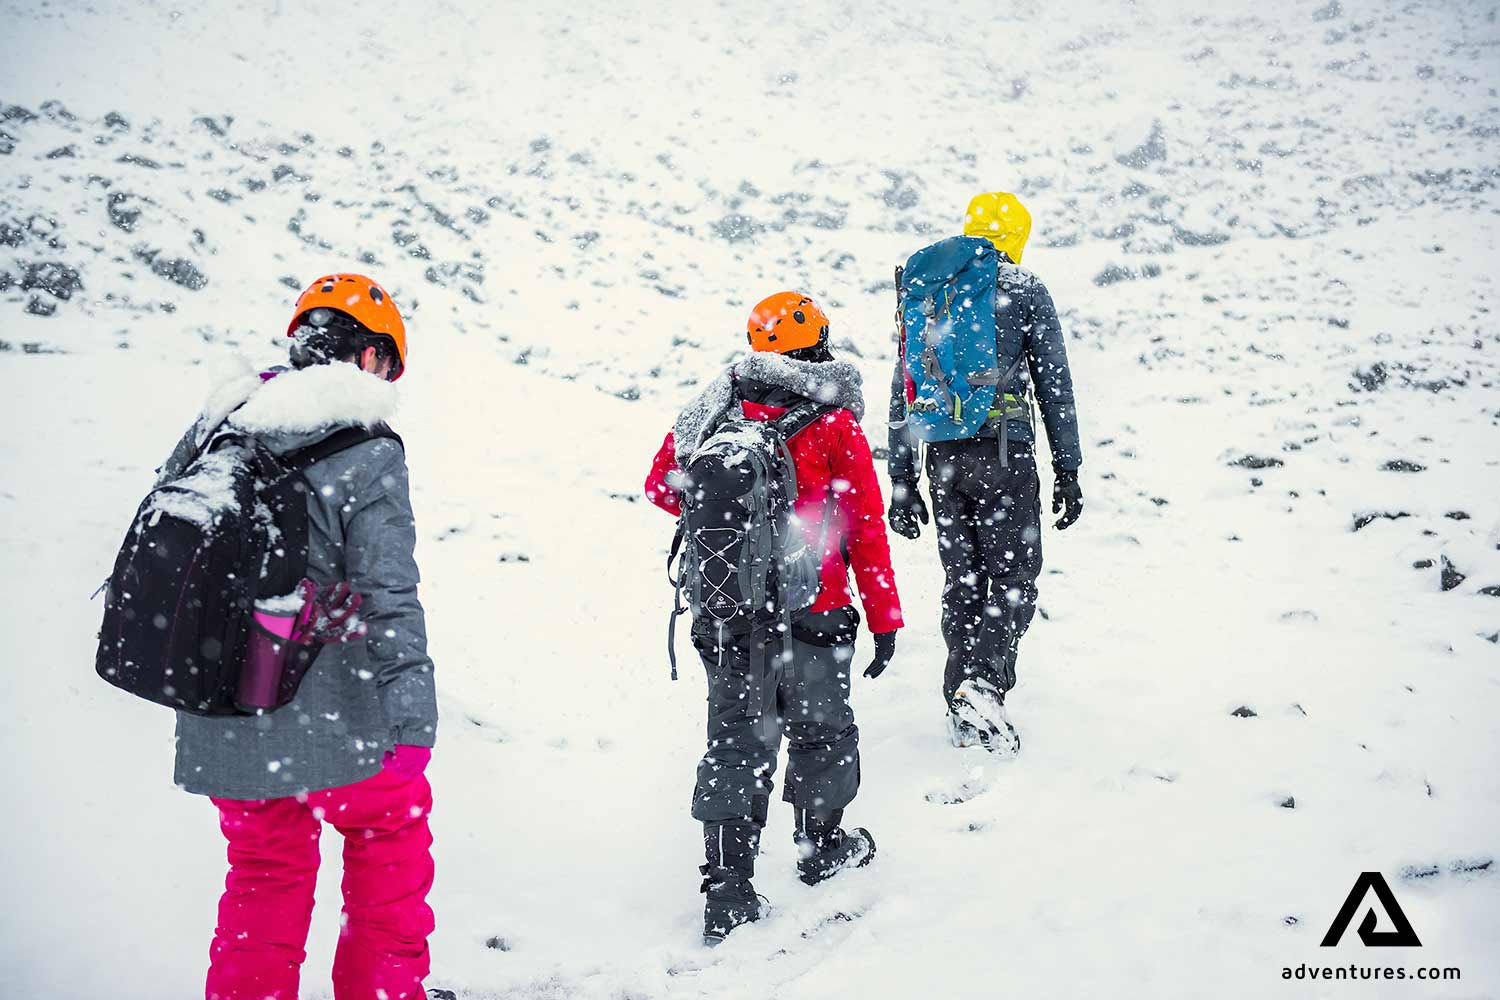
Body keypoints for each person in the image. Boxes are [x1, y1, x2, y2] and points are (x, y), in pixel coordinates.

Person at [158, 274, 439, 1000]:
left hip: (225, 697)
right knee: (387, 849)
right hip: (338, 711)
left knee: (263, 870)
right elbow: (389, 591)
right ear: (373, 358)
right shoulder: (368, 446)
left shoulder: (224, 419)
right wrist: (410, 717)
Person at [645, 291, 903, 945]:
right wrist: (884, 616)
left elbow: (660, 484)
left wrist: (734, 536)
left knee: (737, 742)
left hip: (726, 611)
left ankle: (727, 890)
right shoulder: (835, 421)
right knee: (821, 731)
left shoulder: (716, 406)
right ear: (816, 344)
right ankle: (822, 847)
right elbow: (866, 526)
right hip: (815, 609)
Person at [886, 193, 1083, 756]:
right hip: (1003, 453)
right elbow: (1055, 386)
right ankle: (984, 683)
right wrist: (1067, 467)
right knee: (1015, 578)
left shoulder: (931, 292)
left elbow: (903, 387)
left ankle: (963, 704)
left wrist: (901, 481)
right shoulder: (1023, 288)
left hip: (942, 457)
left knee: (963, 582)